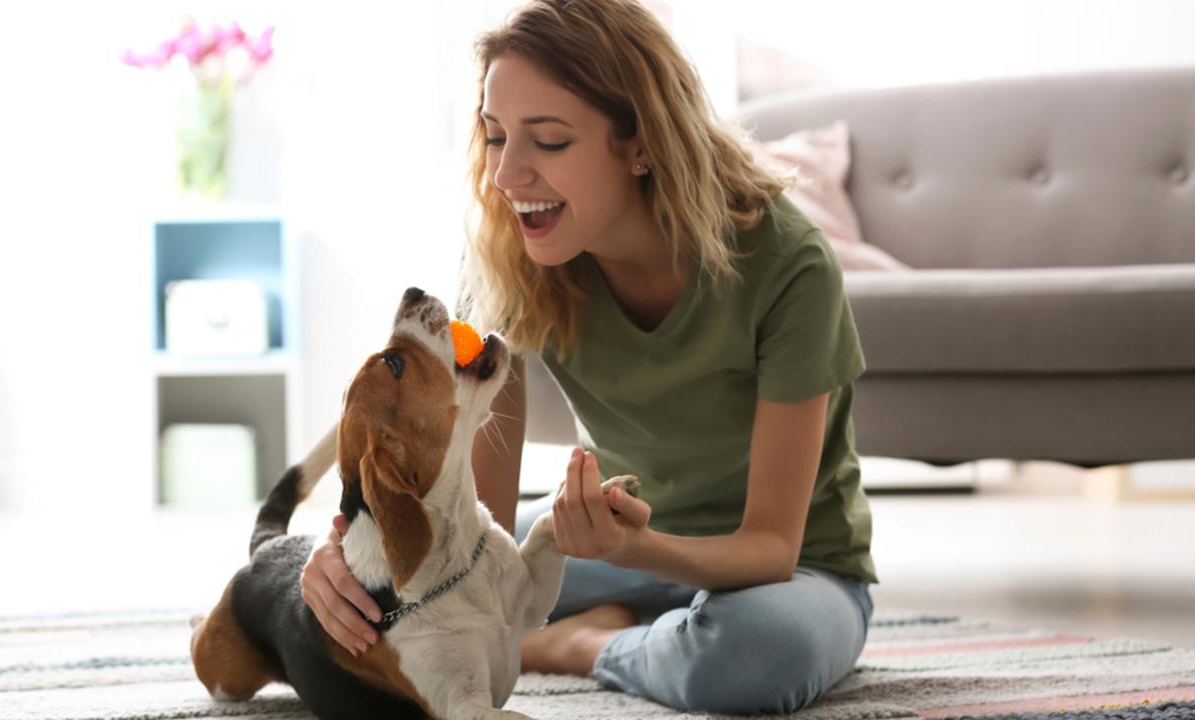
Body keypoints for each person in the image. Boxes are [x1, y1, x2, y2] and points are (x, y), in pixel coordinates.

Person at [301, 0, 876, 714]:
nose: (508, 174)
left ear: (639, 142)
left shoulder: (789, 265)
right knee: (384, 581)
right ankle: (648, 629)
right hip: (604, 535)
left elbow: (771, 547)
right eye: (495, 135)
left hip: (791, 575)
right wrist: (343, 558)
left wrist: (631, 552)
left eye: (548, 141)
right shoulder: (508, 258)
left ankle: (582, 647)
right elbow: (478, 513)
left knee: (755, 660)